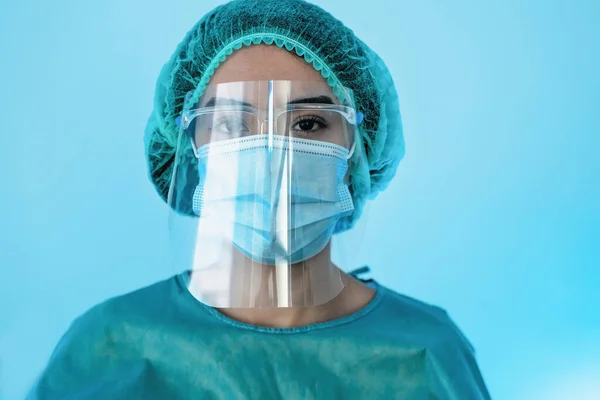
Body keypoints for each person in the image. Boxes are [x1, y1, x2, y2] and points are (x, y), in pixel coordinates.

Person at [27, 0, 491, 398]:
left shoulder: (426, 355)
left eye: (308, 123)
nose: (272, 155)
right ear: (189, 146)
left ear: (358, 150)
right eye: (232, 123)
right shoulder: (111, 346)